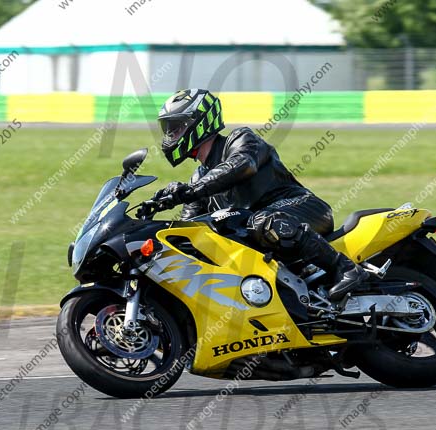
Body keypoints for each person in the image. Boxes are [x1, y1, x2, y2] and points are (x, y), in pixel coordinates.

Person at [154, 88, 366, 301]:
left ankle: (344, 268)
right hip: (264, 230)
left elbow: (241, 165)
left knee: (260, 221)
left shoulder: (240, 139)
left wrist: (190, 190)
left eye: (176, 127)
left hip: (304, 208)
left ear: (199, 123)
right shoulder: (198, 178)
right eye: (169, 129)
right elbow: (188, 230)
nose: (171, 135)